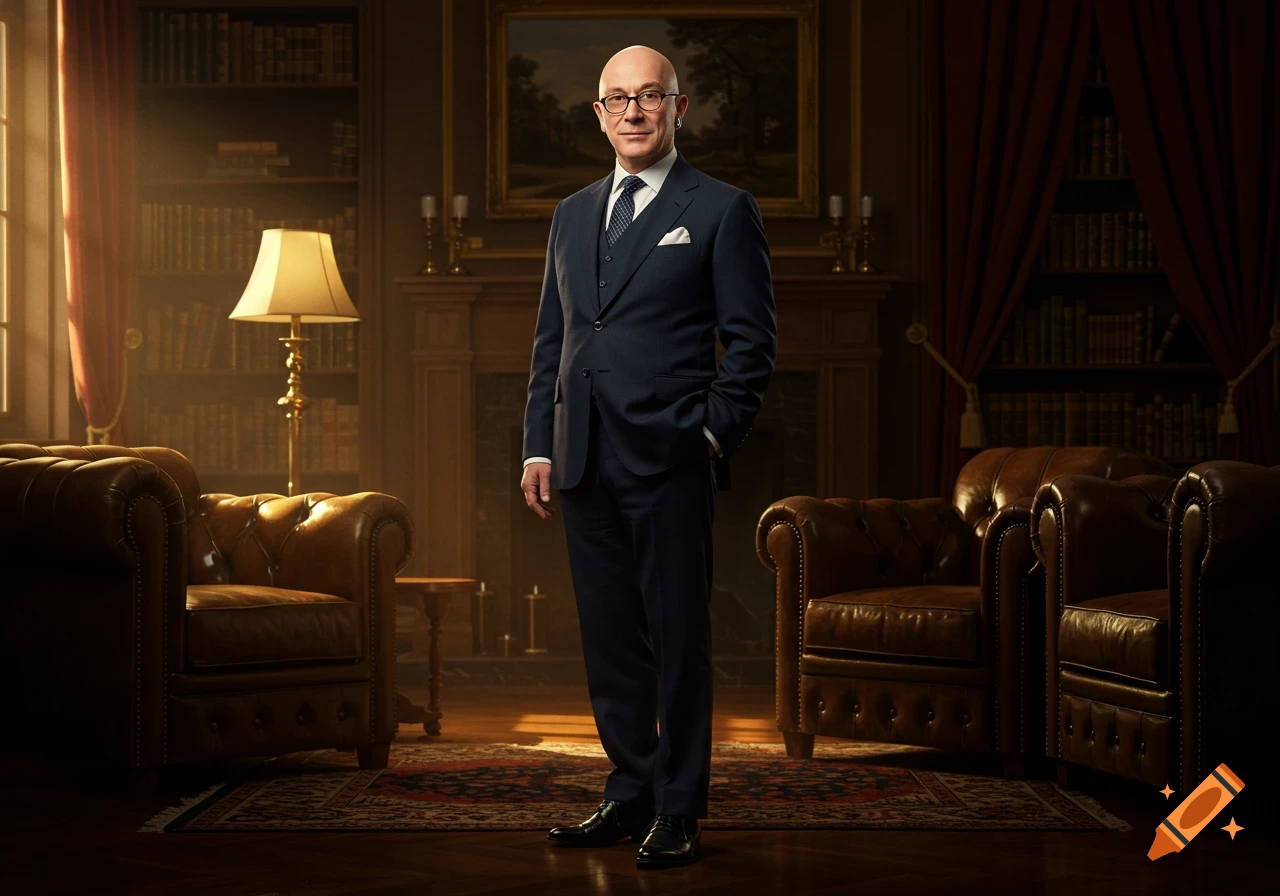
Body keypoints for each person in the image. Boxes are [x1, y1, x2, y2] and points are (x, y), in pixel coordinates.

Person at [520, 44, 777, 869]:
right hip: (582, 460)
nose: (633, 112)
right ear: (598, 113)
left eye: (649, 97)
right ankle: (628, 792)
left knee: (676, 640)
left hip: (669, 459)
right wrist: (537, 447)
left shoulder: (722, 208)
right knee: (610, 641)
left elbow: (753, 344)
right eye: (617, 99)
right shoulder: (571, 213)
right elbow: (552, 342)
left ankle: (678, 807)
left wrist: (707, 433)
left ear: (679, 106)